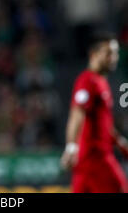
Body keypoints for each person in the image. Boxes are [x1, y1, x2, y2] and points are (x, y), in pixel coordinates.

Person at [61, 31, 128, 193]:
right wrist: (71, 147)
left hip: (91, 161)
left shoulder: (101, 82)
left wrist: (120, 142)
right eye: (108, 53)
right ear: (93, 54)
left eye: (115, 53)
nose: (114, 58)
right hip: (95, 160)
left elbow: (102, 122)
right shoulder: (87, 81)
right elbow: (77, 114)